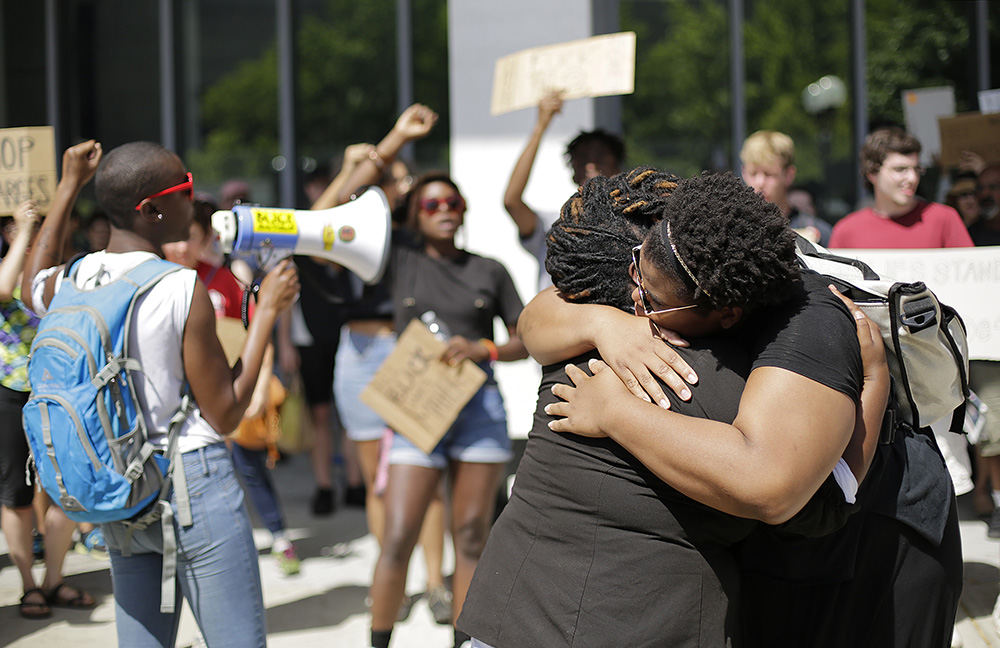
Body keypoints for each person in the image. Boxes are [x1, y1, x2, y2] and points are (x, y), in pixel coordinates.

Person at [520, 170, 962, 647]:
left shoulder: (810, 322)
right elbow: (537, 317)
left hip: (882, 544)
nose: (635, 303)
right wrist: (601, 324)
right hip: (803, 554)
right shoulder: (689, 258)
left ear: (725, 312)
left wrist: (614, 413)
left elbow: (775, 489)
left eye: (648, 299)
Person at [22, 140, 300, 647]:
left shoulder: (77, 275)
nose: (193, 202)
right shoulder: (178, 287)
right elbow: (224, 412)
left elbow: (28, 286)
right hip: (193, 483)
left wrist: (67, 186)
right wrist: (267, 313)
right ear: (151, 210)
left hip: (120, 480)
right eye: (185, 190)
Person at [360, 120, 528, 648]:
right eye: (431, 204)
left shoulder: (489, 269)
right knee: (398, 538)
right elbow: (349, 211)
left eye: (452, 202)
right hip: (418, 410)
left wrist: (486, 349)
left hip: (478, 409)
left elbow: (527, 339)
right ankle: (379, 640)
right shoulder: (401, 260)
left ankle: (464, 643)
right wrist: (392, 146)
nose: (444, 210)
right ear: (414, 214)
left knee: (473, 537)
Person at [162, 199, 301, 575]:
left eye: (187, 237)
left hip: (227, 393)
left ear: (206, 237)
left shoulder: (223, 280)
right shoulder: (155, 282)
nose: (179, 247)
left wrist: (256, 392)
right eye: (171, 237)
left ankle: (279, 536)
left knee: (250, 466)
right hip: (177, 407)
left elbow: (258, 332)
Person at [0, 200, 96, 619]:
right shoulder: (8, 267)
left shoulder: (71, 269)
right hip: (10, 389)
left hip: (62, 390)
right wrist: (22, 231)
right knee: (15, 495)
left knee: (67, 488)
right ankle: (29, 585)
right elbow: (5, 290)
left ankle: (54, 579)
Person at [502, 90, 625, 289]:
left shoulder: (633, 224)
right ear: (573, 171)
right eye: (583, 158)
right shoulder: (552, 225)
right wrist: (541, 125)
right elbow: (512, 201)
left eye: (600, 157)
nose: (591, 165)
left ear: (617, 166)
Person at [830, 127, 973, 249]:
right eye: (900, 169)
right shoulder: (846, 232)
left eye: (916, 169)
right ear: (872, 173)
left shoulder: (945, 219)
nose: (912, 178)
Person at [740, 130, 833, 245]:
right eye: (753, 173)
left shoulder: (819, 233)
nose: (760, 183)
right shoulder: (732, 231)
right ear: (743, 173)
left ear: (789, 175)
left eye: (769, 174)